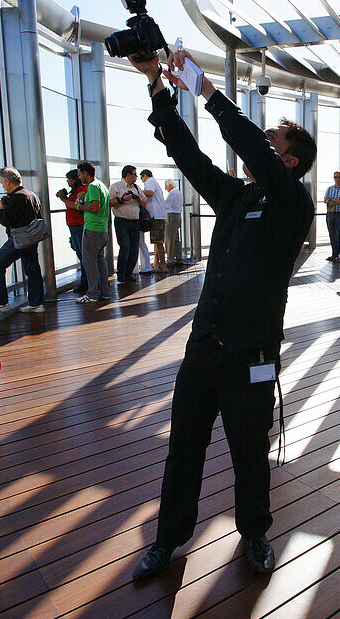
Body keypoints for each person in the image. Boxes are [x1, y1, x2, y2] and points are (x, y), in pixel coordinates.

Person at [127, 47, 316, 580]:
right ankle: (167, 541)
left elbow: (249, 147)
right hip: (204, 347)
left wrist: (207, 92)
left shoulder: (293, 206)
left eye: (273, 143)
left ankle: (254, 533)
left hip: (251, 354)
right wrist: (159, 88)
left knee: (250, 450)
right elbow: (189, 157)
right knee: (183, 448)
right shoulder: (237, 197)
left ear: (290, 162)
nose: (263, 146)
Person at [0, 167, 45, 314]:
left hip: (19, 239)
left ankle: (0, 302)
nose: (2, 186)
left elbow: (7, 220)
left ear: (7, 181)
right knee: (32, 269)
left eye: (2, 182)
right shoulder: (31, 195)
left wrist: (1, 210)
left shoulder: (17, 198)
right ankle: (36, 303)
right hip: (32, 238)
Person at [74, 161, 111, 304]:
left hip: (93, 229)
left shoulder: (93, 187)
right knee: (100, 262)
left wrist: (80, 207)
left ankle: (92, 294)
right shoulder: (102, 186)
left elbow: (95, 207)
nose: (79, 177)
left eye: (79, 174)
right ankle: (105, 292)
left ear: (85, 173)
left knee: (89, 262)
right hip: (102, 229)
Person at [108, 165, 147, 284]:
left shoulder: (136, 188)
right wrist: (122, 199)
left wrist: (138, 199)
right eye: (135, 174)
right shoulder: (115, 186)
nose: (137, 177)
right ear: (128, 175)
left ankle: (128, 274)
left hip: (135, 222)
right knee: (125, 247)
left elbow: (144, 203)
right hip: (121, 221)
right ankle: (121, 274)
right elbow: (109, 203)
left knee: (134, 250)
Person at [55, 169, 88, 296]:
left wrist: (63, 199)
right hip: (74, 226)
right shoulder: (76, 191)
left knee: (83, 255)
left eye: (69, 179)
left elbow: (76, 205)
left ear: (74, 179)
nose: (68, 182)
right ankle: (86, 281)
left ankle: (87, 282)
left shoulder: (81, 190)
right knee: (81, 254)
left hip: (79, 226)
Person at [141, 168, 168, 272]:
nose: (142, 180)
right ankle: (158, 264)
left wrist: (138, 191)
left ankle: (163, 265)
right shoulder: (154, 182)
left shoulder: (150, 181)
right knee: (157, 242)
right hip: (158, 216)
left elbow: (150, 193)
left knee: (159, 242)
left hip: (156, 216)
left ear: (145, 176)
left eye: (141, 177)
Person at [323, 171, 340, 262]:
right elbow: (325, 200)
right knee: (331, 234)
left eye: (339, 177)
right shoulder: (330, 188)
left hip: (338, 214)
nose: (337, 178)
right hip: (329, 213)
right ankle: (333, 254)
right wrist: (335, 200)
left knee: (337, 234)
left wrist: (331, 200)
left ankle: (336, 255)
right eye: (336, 177)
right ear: (333, 178)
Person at [164, 179, 183, 266]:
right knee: (175, 238)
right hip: (178, 216)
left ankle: (170, 259)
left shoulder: (172, 193)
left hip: (172, 216)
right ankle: (179, 257)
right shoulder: (178, 192)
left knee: (169, 238)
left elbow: (166, 205)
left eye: (166, 186)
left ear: (170, 186)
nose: (165, 188)